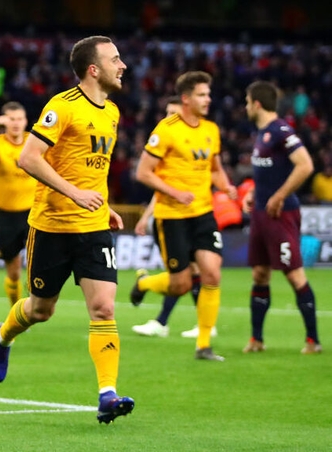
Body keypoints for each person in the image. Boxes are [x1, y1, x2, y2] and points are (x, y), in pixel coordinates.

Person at [0, 35, 134, 424]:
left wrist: (105, 206)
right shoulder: (62, 107)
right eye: (115, 59)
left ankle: (107, 394)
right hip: (50, 227)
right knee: (40, 310)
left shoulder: (112, 113)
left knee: (103, 308)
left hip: (93, 227)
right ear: (93, 69)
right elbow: (27, 158)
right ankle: (2, 335)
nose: (123, 65)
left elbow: (90, 168)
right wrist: (73, 193)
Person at [132, 71, 237, 361]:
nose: (208, 99)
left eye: (209, 94)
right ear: (187, 99)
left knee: (212, 273)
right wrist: (174, 192)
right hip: (172, 216)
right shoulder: (166, 130)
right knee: (180, 284)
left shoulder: (211, 129)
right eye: (203, 94)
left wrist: (227, 187)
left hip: (203, 213)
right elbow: (143, 172)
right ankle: (144, 284)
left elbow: (215, 168)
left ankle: (203, 345)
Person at [241, 81, 320, 354]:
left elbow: (305, 165)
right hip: (261, 214)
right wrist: (254, 193)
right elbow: (269, 173)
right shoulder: (263, 134)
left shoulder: (281, 131)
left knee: (294, 274)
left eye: (247, 101)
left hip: (280, 214)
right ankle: (257, 339)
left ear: (257, 104)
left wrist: (279, 196)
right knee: (260, 274)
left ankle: (313, 340)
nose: (245, 106)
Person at [131, 96, 210, 339]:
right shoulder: (167, 147)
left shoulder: (192, 144)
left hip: (191, 217)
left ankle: (148, 291)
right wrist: (146, 217)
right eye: (167, 113)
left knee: (186, 273)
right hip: (173, 217)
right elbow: (161, 190)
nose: (168, 119)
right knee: (187, 273)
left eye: (173, 114)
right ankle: (198, 324)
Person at [0, 101, 36, 306]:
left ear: (26, 121)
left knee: (38, 264)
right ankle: (16, 309)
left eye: (19, 119)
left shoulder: (33, 142)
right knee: (13, 272)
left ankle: (35, 306)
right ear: (4, 121)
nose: (16, 123)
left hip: (33, 213)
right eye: (11, 119)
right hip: (6, 215)